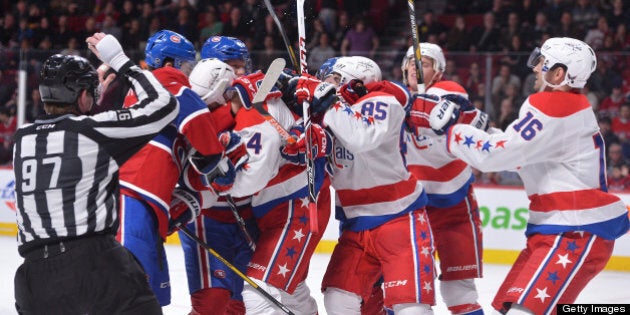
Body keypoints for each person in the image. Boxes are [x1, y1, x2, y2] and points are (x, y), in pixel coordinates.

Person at [429, 37, 630, 314]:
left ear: (558, 74)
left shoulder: (553, 105)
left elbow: (497, 156)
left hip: (572, 231)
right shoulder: (566, 106)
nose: (535, 68)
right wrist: (476, 123)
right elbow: (519, 151)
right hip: (562, 228)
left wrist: (452, 132)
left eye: (541, 63)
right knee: (513, 307)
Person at [13, 33, 177, 314]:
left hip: (33, 280)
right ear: (84, 95)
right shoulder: (91, 132)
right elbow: (164, 105)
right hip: (94, 267)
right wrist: (120, 61)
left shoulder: (21, 139)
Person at [292, 56, 436, 314]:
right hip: (355, 226)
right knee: (338, 299)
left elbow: (361, 135)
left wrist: (328, 103)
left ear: (353, 81)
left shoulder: (383, 100)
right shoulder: (331, 115)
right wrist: (290, 100)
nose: (324, 84)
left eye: (332, 79)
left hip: (399, 219)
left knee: (410, 306)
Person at [117, 29, 229, 307]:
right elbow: (201, 129)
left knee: (148, 294)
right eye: (187, 65)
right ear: (171, 63)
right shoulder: (169, 81)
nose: (188, 72)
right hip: (134, 193)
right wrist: (216, 155)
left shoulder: (143, 85)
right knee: (132, 290)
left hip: (139, 193)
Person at [402, 43, 487, 315]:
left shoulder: (450, 91)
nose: (416, 68)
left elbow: (447, 106)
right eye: (412, 63)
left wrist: (416, 104)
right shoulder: (395, 96)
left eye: (424, 64)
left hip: (454, 202)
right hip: (411, 205)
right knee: (406, 290)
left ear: (438, 71)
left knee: (459, 288)